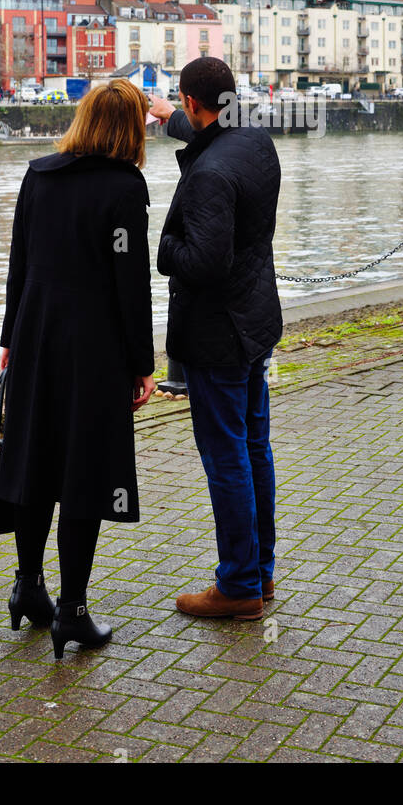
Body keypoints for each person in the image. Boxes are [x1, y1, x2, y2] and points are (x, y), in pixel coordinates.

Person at [0, 78, 156, 659]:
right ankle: (73, 611)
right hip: (93, 349)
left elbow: (18, 262)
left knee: (35, 458)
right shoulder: (123, 187)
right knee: (84, 474)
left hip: (37, 338)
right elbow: (129, 285)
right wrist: (142, 363)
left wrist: (10, 337)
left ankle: (26, 588)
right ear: (130, 129)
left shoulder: (38, 175)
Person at [150, 57, 282, 621]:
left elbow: (203, 261)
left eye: (181, 104)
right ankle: (261, 571)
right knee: (255, 446)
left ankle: (237, 587)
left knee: (225, 456)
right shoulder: (255, 142)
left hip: (217, 335)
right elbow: (208, 136)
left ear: (194, 103)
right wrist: (166, 117)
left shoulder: (207, 176)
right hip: (255, 323)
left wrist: (163, 250)